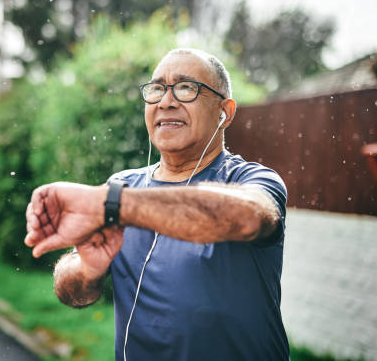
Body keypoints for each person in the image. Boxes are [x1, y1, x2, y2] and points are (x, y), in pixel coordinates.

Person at [24, 48, 289, 360]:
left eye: (186, 88)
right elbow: (72, 293)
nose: (166, 101)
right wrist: (87, 270)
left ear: (225, 111)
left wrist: (115, 204)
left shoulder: (251, 180)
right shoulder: (122, 188)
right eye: (157, 89)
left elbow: (247, 216)